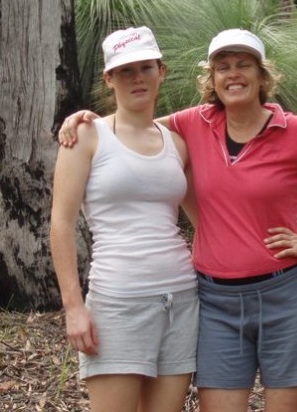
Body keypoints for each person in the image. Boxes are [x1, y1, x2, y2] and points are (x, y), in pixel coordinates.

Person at [59, 28, 297, 412]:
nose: (233, 74)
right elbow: (133, 127)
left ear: (263, 75)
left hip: (283, 295)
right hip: (214, 301)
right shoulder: (194, 124)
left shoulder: (295, 131)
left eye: (244, 65)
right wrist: (85, 121)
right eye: (222, 67)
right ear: (210, 78)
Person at [49, 26, 199, 412]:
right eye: (125, 70)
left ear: (161, 72)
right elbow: (61, 224)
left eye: (146, 67)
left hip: (181, 299)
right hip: (118, 301)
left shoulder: (176, 142)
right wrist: (74, 308)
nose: (137, 77)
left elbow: (203, 219)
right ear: (109, 78)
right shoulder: (86, 136)